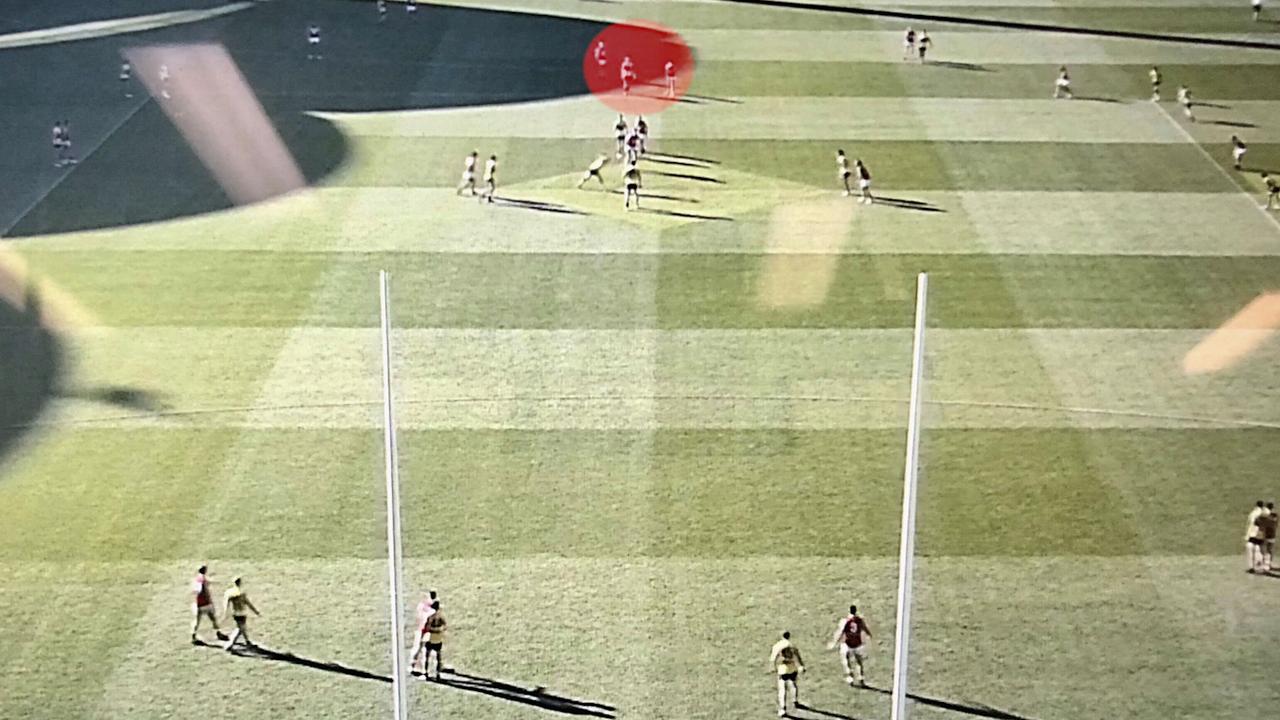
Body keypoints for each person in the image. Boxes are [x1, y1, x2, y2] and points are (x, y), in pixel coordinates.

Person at [828, 605, 873, 686]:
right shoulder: (859, 620)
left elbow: (841, 632)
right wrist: (869, 635)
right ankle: (860, 678)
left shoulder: (846, 621)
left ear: (849, 611)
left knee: (846, 660)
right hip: (858, 644)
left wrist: (834, 642)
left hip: (848, 644)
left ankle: (850, 678)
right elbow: (864, 628)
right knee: (859, 662)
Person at [770, 631, 805, 718]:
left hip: (783, 670)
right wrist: (801, 666)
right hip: (792, 668)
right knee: (794, 685)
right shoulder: (792, 645)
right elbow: (797, 656)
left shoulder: (777, 645)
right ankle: (795, 700)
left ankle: (782, 709)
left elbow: (773, 658)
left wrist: (773, 667)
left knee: (782, 689)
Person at [190, 565, 228, 644]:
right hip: (206, 603)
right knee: (213, 618)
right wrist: (209, 600)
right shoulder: (203, 580)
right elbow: (204, 590)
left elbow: (194, 590)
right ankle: (218, 633)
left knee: (197, 621)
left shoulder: (196, 579)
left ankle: (193, 636)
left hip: (198, 603)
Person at [222, 577, 261, 650]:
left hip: (235, 613)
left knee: (242, 628)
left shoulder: (230, 592)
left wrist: (226, 612)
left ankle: (247, 642)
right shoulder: (241, 593)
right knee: (240, 629)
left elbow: (226, 603)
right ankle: (230, 645)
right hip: (242, 613)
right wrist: (256, 611)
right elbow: (248, 603)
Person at [410, 590, 439, 673]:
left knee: (417, 648)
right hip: (427, 631)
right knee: (427, 649)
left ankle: (412, 665)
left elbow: (419, 613)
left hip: (420, 629)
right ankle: (428, 669)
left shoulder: (422, 605)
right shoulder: (433, 609)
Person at [422, 600, 447, 680]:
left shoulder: (430, 616)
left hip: (430, 638)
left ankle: (425, 672)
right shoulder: (441, 616)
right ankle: (438, 674)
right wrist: (439, 630)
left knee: (426, 656)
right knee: (438, 657)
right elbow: (445, 626)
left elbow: (426, 627)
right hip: (438, 638)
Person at [1247, 500, 1268, 573]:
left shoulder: (1253, 513)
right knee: (1259, 549)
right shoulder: (1264, 513)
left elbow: (1250, 523)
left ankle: (1251, 567)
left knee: (1251, 549)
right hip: (1260, 533)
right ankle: (1260, 567)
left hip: (1252, 533)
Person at [1261, 503, 1278, 572]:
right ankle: (1268, 564)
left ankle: (1265, 565)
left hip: (1266, 536)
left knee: (1265, 550)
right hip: (1271, 536)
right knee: (1269, 551)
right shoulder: (1274, 517)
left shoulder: (1267, 517)